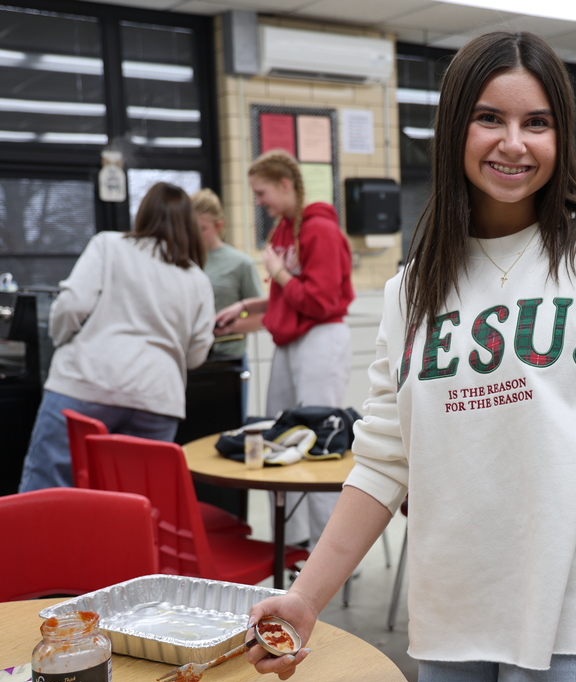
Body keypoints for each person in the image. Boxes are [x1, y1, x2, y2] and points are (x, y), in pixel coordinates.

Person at [244, 31, 576, 682]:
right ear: (455, 130)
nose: (514, 142)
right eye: (489, 118)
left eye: (537, 122)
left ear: (560, 137)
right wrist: (306, 595)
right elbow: (384, 461)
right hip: (452, 615)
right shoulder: (412, 290)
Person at [19, 182, 215, 492]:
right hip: (157, 398)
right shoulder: (197, 277)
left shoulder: (109, 245)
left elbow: (72, 305)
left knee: (48, 491)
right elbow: (196, 354)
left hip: (86, 382)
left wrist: (60, 340)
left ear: (143, 214)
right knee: (135, 505)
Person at [215, 150, 355, 551]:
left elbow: (319, 300)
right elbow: (288, 295)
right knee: (279, 437)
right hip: (292, 341)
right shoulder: (284, 230)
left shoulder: (320, 231)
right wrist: (243, 307)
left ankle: (325, 551)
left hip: (321, 336)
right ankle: (291, 545)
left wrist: (277, 273)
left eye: (262, 193)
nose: (259, 201)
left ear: (285, 185)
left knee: (317, 443)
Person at [192, 188, 264, 419]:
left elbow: (261, 316)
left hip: (226, 359)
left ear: (219, 226)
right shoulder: (181, 260)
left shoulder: (239, 264)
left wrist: (231, 326)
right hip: (189, 360)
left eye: (201, 229)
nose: (194, 235)